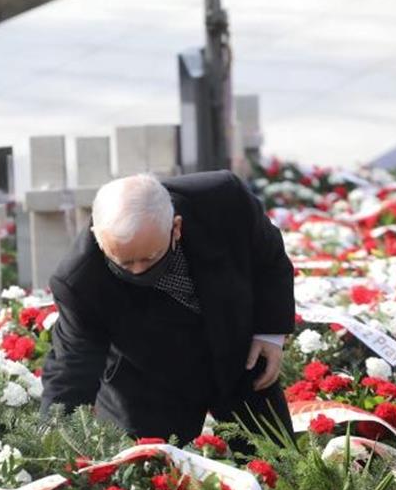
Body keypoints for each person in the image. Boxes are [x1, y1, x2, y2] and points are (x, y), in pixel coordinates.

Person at [40, 171, 296, 445]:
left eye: (150, 258)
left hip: (237, 347)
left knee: (277, 463)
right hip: (146, 380)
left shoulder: (223, 201)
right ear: (99, 238)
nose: (138, 272)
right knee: (148, 477)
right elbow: (72, 365)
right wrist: (52, 441)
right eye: (125, 263)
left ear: (176, 227)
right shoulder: (78, 279)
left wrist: (270, 332)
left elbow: (268, 259)